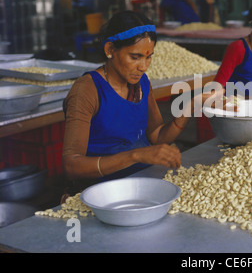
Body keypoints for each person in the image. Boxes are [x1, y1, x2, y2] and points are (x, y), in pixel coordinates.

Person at [62, 11, 226, 185]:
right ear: (110, 50)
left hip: (140, 179)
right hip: (100, 188)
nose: (143, 67)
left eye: (149, 58)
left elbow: (157, 136)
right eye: (135, 57)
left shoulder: (141, 84)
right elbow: (72, 165)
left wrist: (192, 105)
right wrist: (137, 155)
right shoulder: (87, 90)